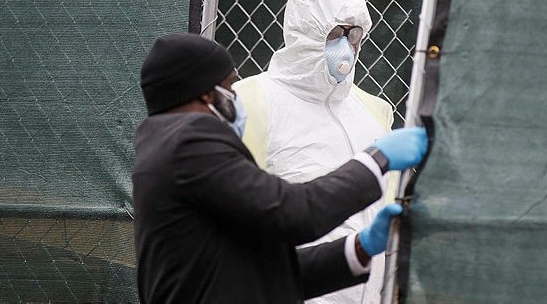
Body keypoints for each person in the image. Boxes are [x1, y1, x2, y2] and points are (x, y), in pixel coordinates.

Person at [132, 32, 428, 304]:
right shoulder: (190, 143)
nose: (235, 97)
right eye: (229, 86)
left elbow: (260, 273)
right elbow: (294, 212)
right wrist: (377, 160)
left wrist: (359, 248)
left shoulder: (168, 151)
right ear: (207, 93)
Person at [234, 0, 394, 303]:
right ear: (306, 32)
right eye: (336, 33)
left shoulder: (373, 110)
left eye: (354, 34)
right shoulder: (252, 100)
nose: (347, 46)